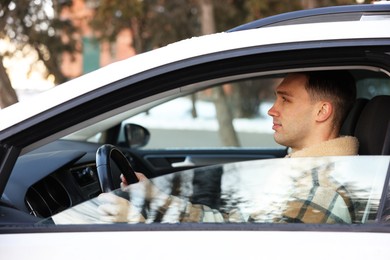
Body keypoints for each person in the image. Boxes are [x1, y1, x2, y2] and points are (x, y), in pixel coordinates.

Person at [97, 70, 359, 224]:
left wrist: (137, 224)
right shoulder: (300, 171)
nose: (271, 109)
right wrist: (154, 198)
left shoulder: (320, 191)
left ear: (322, 111)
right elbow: (233, 227)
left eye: (285, 100)